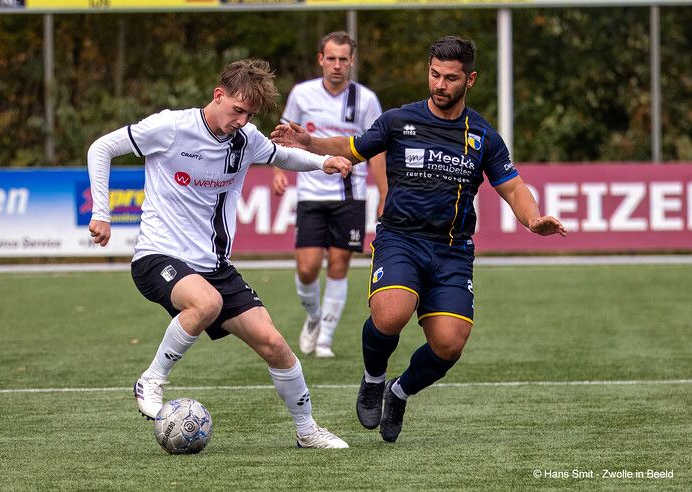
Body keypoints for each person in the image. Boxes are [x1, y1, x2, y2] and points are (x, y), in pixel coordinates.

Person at [271, 36, 567, 443]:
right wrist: (308, 142)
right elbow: (352, 147)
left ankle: (399, 391)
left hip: (453, 251)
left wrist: (532, 220)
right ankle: (374, 378)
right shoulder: (398, 121)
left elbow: (513, 187)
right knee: (391, 314)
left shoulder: (482, 135)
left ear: (470, 79)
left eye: (450, 78)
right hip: (400, 238)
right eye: (434, 75)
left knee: (449, 346)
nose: (440, 85)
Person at [87, 58, 352, 449]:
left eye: (250, 115)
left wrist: (323, 162)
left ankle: (307, 431)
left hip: (214, 266)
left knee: (274, 345)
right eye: (238, 110)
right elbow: (102, 147)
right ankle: (152, 378)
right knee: (206, 302)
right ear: (218, 95)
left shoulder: (245, 140)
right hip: (158, 256)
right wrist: (101, 212)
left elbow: (282, 155)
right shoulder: (172, 127)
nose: (242, 121)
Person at [271, 31, 386, 359]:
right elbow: (284, 136)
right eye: (331, 58)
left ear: (352, 61)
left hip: (351, 194)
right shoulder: (301, 94)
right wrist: (279, 171)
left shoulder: (366, 100)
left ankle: (325, 339)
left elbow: (377, 150)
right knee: (307, 268)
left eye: (343, 59)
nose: (337, 65)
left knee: (339, 263)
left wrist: (384, 192)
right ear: (321, 59)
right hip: (310, 191)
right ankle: (313, 317)